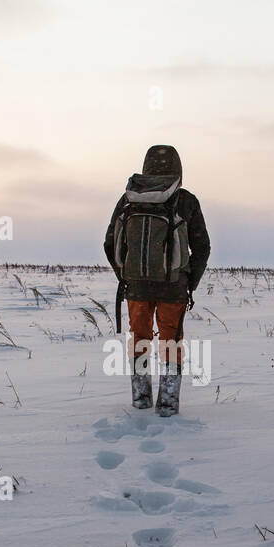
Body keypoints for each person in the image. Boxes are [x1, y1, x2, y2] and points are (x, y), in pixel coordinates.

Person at [103, 145, 210, 416]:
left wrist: (126, 276)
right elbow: (202, 248)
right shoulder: (185, 200)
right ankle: (167, 405)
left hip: (136, 286)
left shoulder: (128, 198)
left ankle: (140, 401)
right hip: (173, 287)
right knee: (170, 342)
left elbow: (110, 243)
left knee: (139, 338)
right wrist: (189, 284)